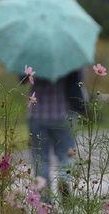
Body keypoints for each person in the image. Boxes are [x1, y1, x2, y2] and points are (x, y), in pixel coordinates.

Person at [26, 69, 85, 203]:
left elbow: (22, 79)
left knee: (41, 158)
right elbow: (78, 82)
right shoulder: (69, 57)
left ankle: (45, 198)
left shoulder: (33, 55)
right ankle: (64, 181)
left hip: (37, 114)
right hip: (63, 113)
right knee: (66, 154)